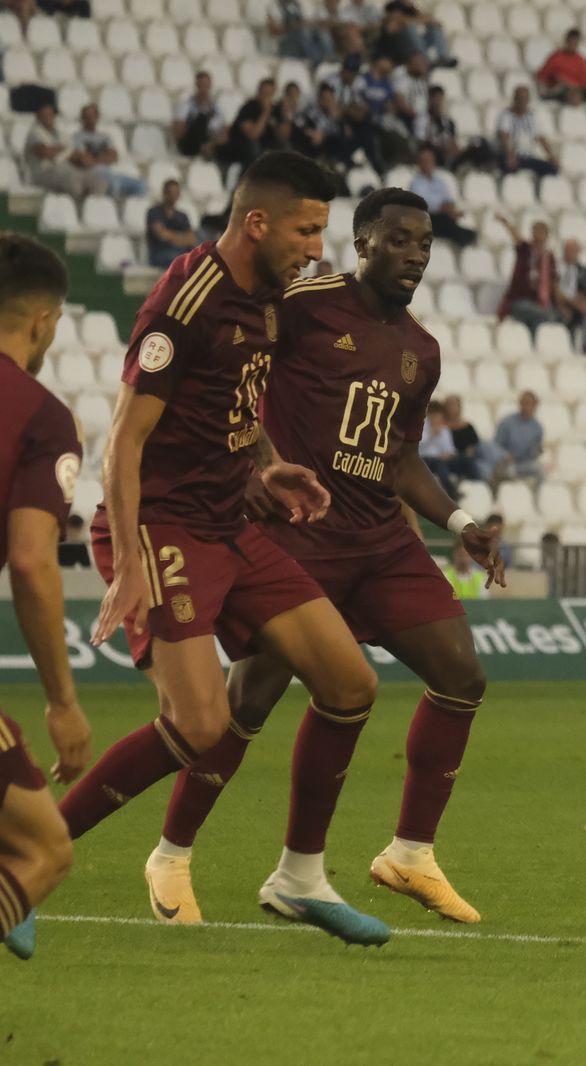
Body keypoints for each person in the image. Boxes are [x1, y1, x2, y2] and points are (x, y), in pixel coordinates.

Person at [142, 187, 505, 928]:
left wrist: (459, 520)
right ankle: (171, 854)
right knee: (248, 700)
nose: (415, 255)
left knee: (462, 675)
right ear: (362, 243)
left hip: (382, 541)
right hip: (298, 536)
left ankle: (409, 854)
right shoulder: (304, 303)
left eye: (425, 244)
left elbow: (401, 459)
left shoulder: (421, 351)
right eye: (399, 240)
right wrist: (252, 464)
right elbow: (234, 377)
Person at [59, 151, 391, 946]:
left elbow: (239, 407)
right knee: (199, 724)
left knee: (351, 684)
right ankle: (29, 855)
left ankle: (299, 878)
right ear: (257, 223)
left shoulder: (268, 300)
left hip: (231, 526)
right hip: (163, 527)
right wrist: (130, 565)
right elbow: (122, 443)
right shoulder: (188, 299)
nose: (316, 248)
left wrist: (267, 466)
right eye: (306, 231)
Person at [0, 233, 92, 962]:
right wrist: (62, 701)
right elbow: (32, 564)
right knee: (43, 849)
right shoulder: (41, 415)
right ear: (43, 322)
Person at [496, 216, 563, 335]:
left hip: (541, 302)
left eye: (542, 231)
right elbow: (516, 236)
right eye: (536, 230)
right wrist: (506, 223)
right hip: (520, 300)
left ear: (547, 234)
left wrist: (560, 304)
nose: (538, 234)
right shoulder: (525, 249)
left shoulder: (549, 257)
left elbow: (553, 281)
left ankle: (534, 341)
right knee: (543, 315)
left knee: (552, 317)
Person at [24, 104, 105, 200]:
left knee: (98, 181)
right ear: (38, 117)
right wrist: (62, 148)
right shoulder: (34, 133)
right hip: (44, 172)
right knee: (73, 182)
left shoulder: (59, 133)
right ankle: (77, 206)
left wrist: (76, 155)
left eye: (50, 115)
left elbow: (71, 151)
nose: (48, 117)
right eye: (44, 115)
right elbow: (45, 152)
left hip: (65, 169)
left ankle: (91, 206)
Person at [69, 105, 146, 200]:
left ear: (97, 117)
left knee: (141, 185)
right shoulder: (78, 137)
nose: (91, 119)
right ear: (82, 118)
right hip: (93, 174)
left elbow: (114, 156)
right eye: (87, 116)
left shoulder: (105, 136)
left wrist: (94, 159)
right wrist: (104, 157)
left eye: (93, 116)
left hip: (110, 172)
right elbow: (85, 161)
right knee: (114, 184)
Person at [408, 147, 476, 245]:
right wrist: (443, 207)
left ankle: (467, 237)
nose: (428, 164)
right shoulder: (416, 183)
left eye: (430, 161)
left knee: (453, 220)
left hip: (445, 215)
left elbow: (449, 200)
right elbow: (424, 204)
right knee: (446, 222)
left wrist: (450, 209)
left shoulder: (440, 182)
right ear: (420, 164)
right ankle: (465, 238)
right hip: (428, 218)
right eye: (425, 161)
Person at [496, 86, 561, 182]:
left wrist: (551, 155)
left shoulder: (531, 117)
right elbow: (503, 136)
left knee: (552, 169)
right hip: (512, 155)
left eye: (525, 99)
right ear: (515, 99)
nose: (523, 102)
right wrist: (509, 154)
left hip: (527, 157)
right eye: (520, 98)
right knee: (508, 168)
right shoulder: (506, 115)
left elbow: (540, 138)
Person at [493, 390, 545, 488]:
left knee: (540, 470)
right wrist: (505, 455)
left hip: (524, 463)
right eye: (524, 403)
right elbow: (495, 446)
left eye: (530, 404)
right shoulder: (507, 423)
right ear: (520, 404)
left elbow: (536, 450)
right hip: (506, 464)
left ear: (535, 405)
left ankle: (539, 495)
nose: (527, 407)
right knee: (509, 471)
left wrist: (537, 452)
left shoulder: (537, 428)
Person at [172, 71, 229, 159]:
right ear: (197, 85)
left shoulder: (217, 108)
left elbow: (224, 130)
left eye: (206, 84)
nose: (204, 87)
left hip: (212, 141)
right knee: (201, 118)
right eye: (201, 84)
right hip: (190, 143)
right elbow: (179, 132)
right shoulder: (186, 106)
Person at [146, 180, 199, 270]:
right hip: (159, 253)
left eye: (176, 192)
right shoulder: (154, 212)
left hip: (180, 251)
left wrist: (172, 238)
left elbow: (192, 239)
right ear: (165, 193)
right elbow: (162, 235)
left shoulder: (182, 216)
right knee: (179, 259)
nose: (174, 195)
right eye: (171, 192)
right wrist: (182, 238)